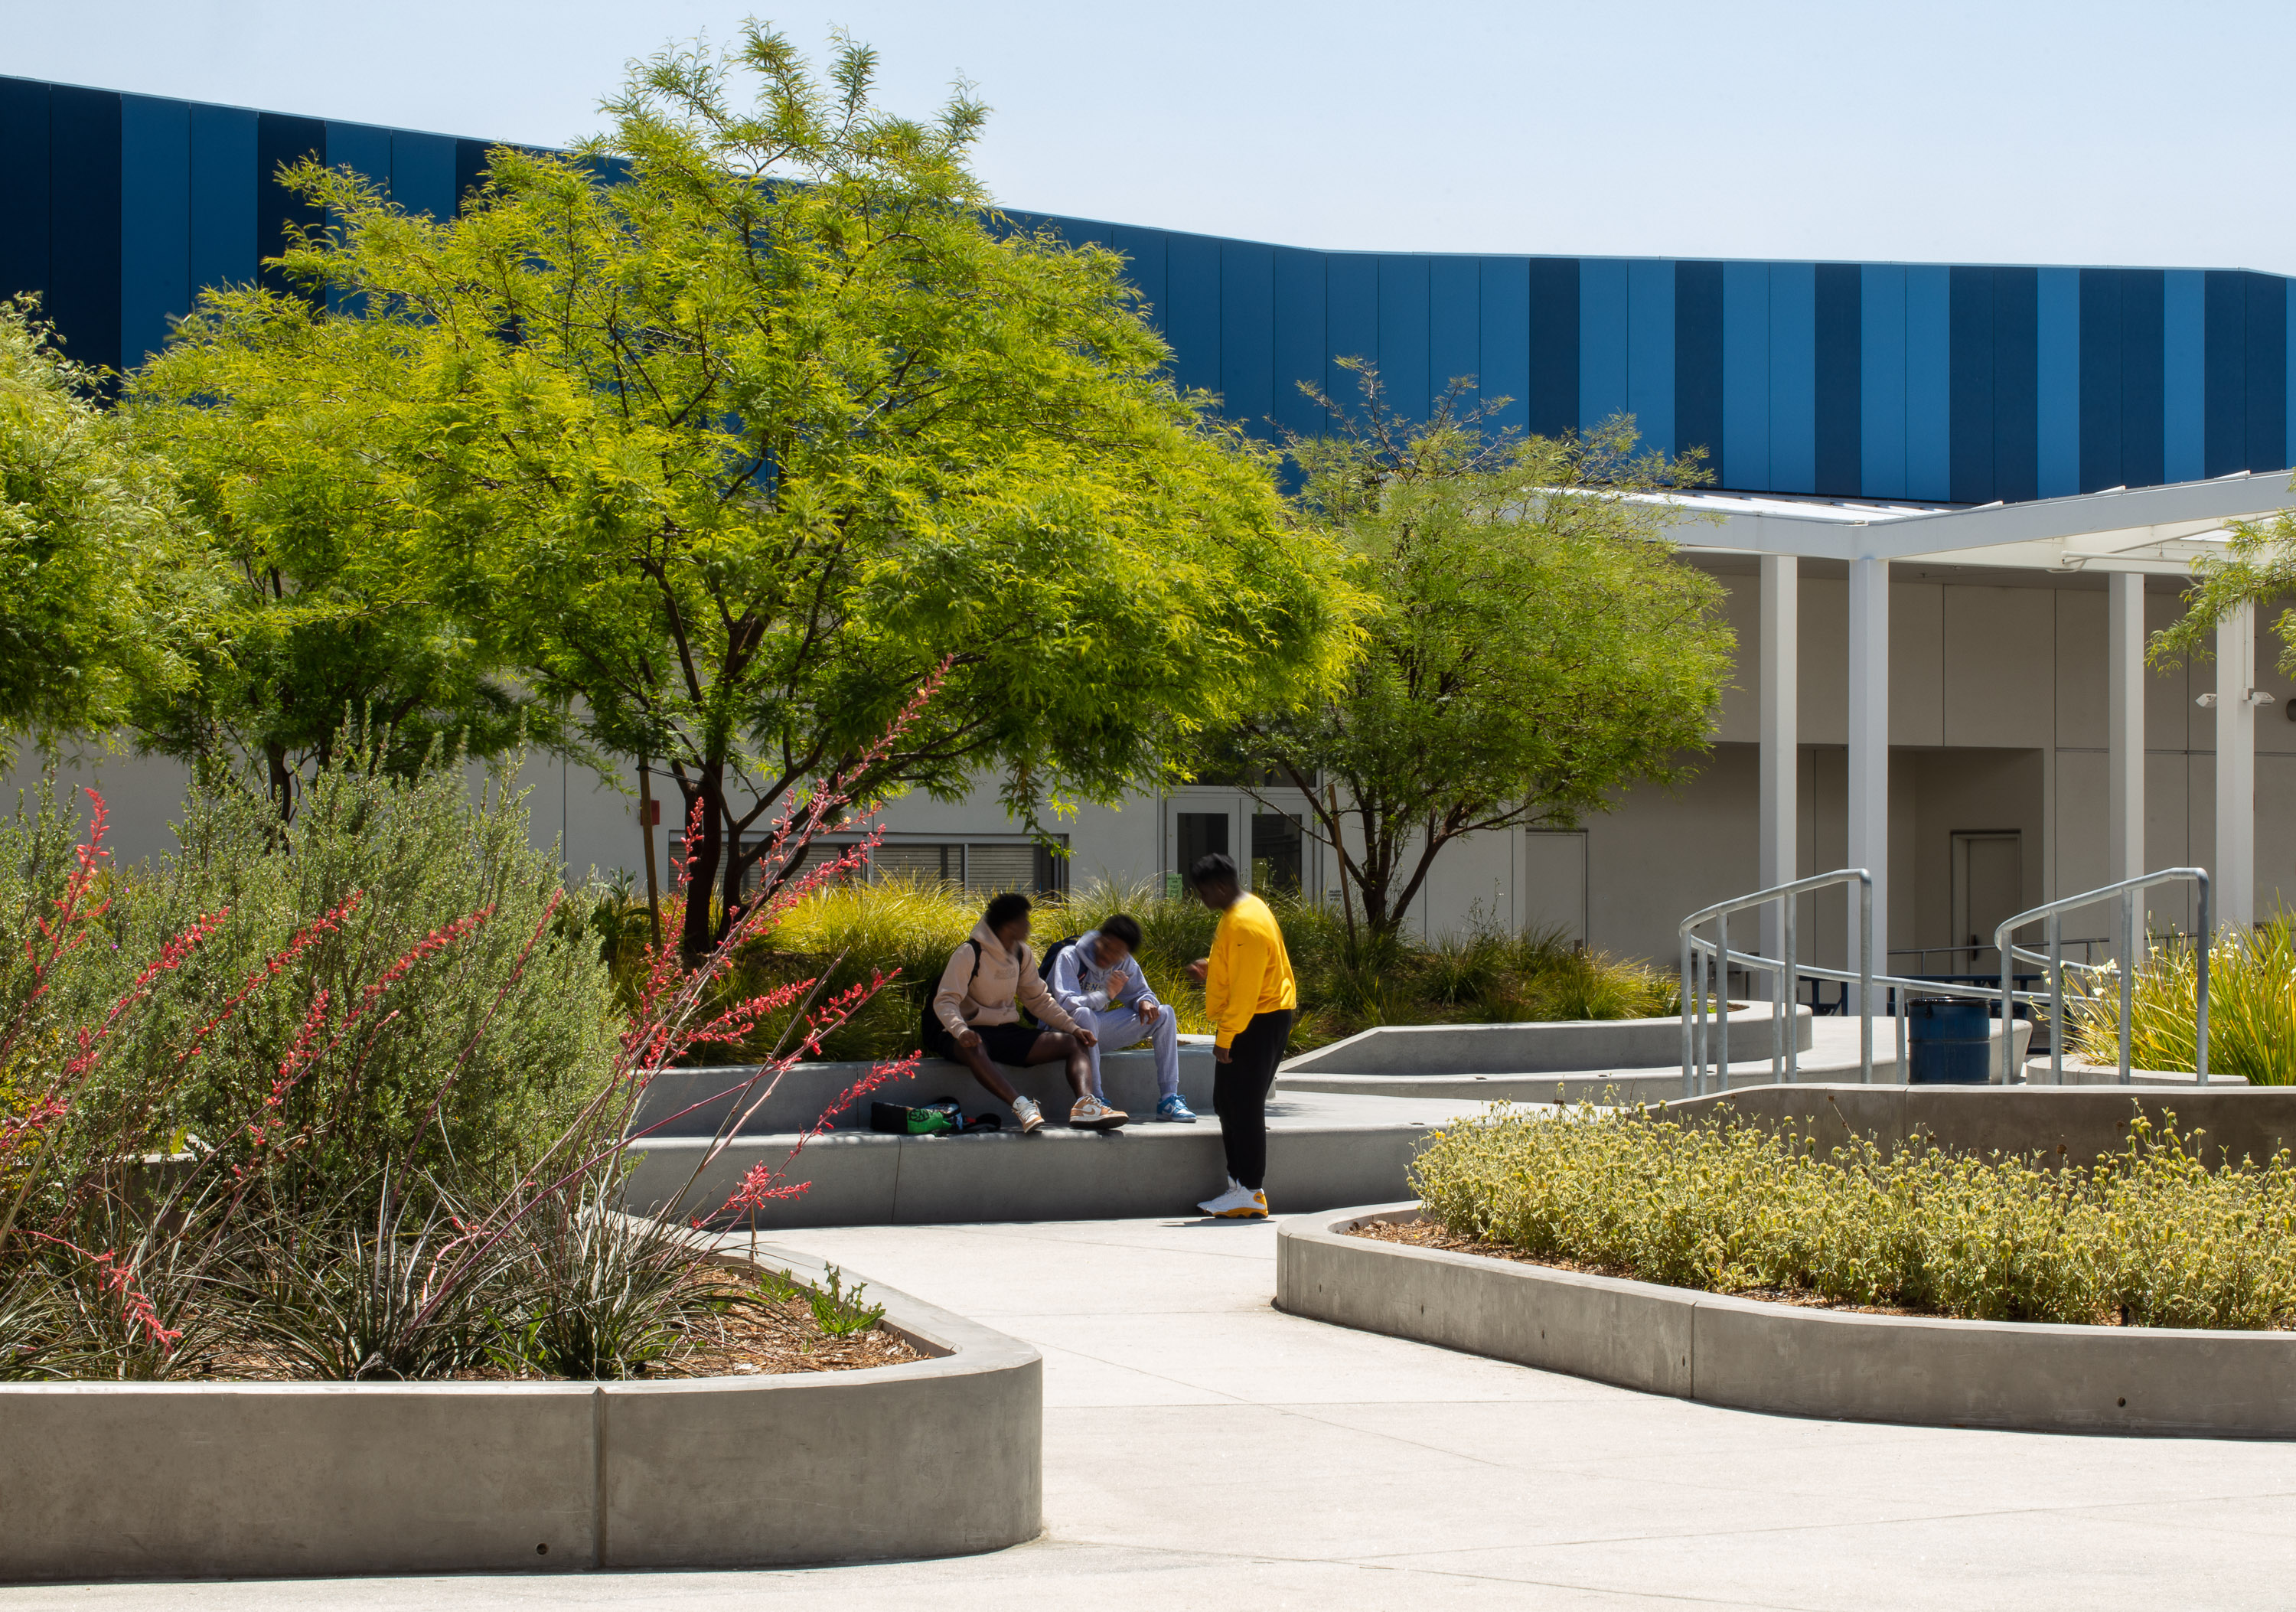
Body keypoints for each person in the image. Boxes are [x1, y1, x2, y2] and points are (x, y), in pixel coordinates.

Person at [925, 891, 1124, 1133]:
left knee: (1074, 1043)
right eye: (1024, 920)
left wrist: (1073, 1027)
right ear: (1008, 924)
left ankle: (1086, 1107)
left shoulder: (1021, 953)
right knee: (974, 1046)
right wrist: (960, 1030)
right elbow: (945, 1001)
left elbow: (1038, 1000)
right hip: (962, 1033)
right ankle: (1024, 1108)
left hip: (1003, 1031)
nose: (1029, 925)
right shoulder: (970, 952)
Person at [1183, 852, 1296, 1217]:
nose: (1201, 900)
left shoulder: (1244, 923)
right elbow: (1244, 966)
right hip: (1262, 1015)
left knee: (1243, 1107)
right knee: (1228, 1103)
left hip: (1257, 1020)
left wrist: (1225, 1039)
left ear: (1220, 886)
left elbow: (1247, 994)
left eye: (1202, 893)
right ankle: (1239, 1186)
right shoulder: (1247, 909)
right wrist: (1213, 967)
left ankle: (1250, 1190)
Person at [1048, 913, 1196, 1123]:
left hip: (1094, 1035)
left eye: (1118, 954)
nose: (1110, 957)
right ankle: (1096, 1099)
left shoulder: (1124, 962)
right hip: (1062, 1034)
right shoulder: (1069, 956)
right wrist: (1105, 995)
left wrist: (1143, 1002)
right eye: (1108, 947)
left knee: (1164, 1013)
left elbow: (1143, 992)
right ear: (1100, 938)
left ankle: (1169, 1099)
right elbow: (1065, 1005)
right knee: (1084, 1014)